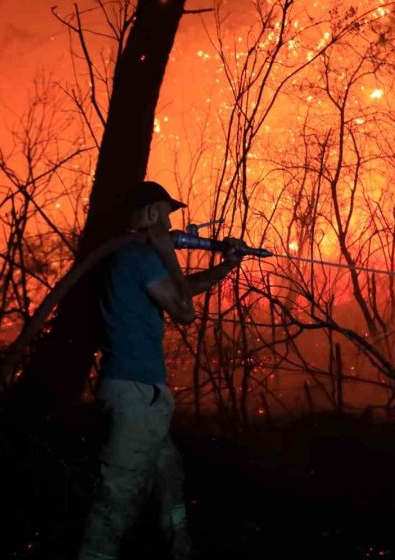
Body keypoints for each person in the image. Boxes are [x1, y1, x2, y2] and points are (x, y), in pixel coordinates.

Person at [77, 181, 245, 560]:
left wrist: (225, 266)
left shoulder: (130, 256)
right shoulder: (139, 255)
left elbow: (179, 289)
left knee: (168, 475)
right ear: (152, 213)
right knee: (117, 495)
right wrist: (169, 254)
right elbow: (184, 311)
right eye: (167, 217)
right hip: (135, 396)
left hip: (142, 395)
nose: (170, 227)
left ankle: (179, 550)